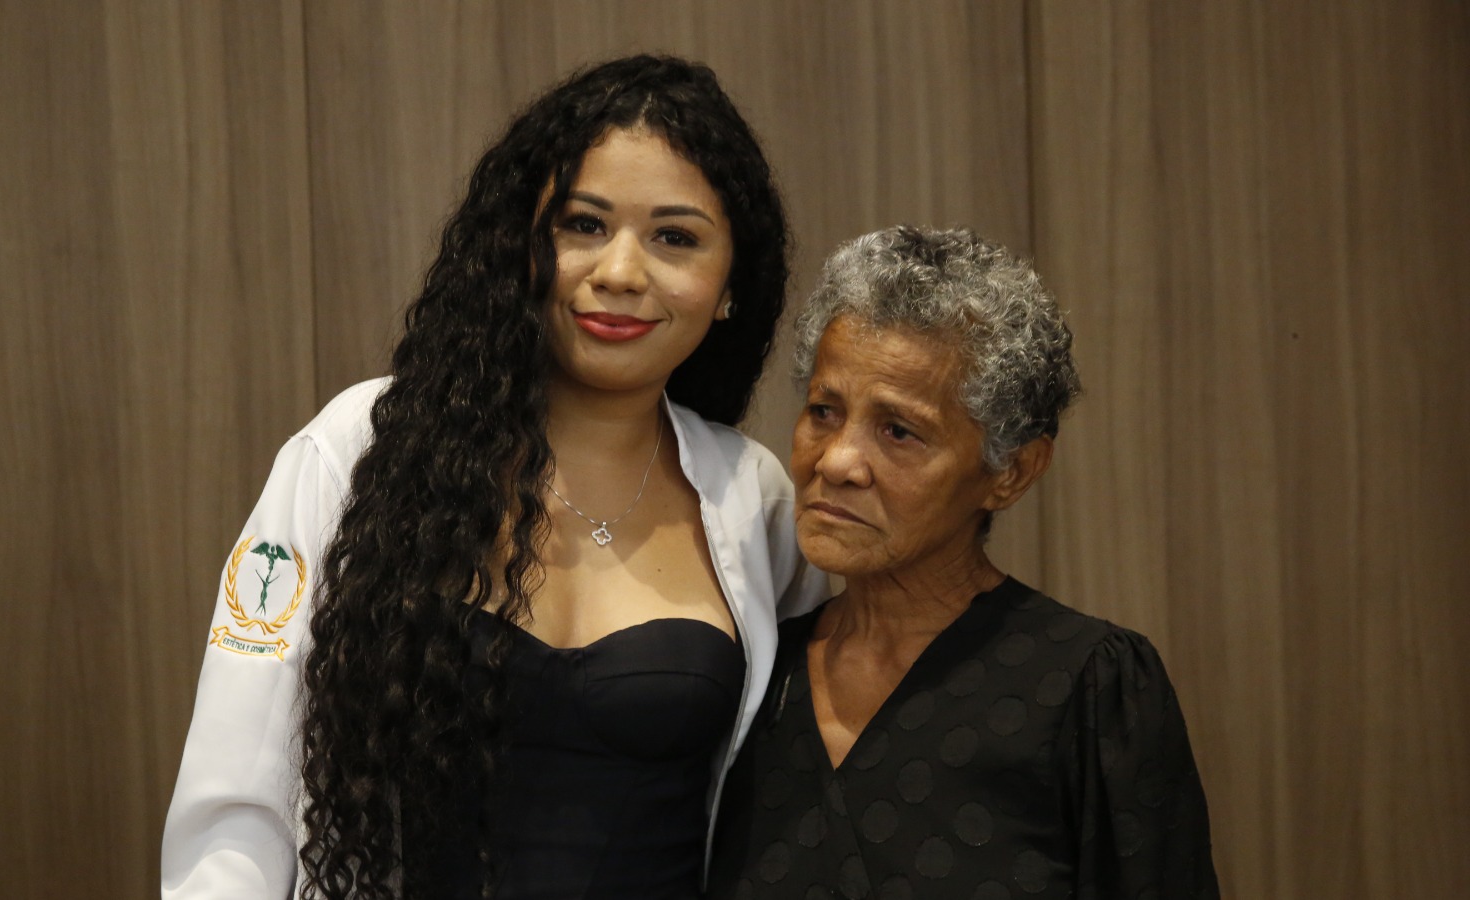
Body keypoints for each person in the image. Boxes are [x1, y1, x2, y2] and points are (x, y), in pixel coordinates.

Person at [162, 56, 826, 900]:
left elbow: (792, 806)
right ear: (521, 243)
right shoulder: (359, 450)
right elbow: (237, 804)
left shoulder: (756, 500)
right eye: (584, 224)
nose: (621, 272)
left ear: (731, 284)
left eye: (675, 237)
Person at [709, 226, 1218, 899]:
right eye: (824, 411)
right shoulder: (750, 674)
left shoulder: (1086, 688)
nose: (835, 462)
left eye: (898, 431)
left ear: (1011, 471)